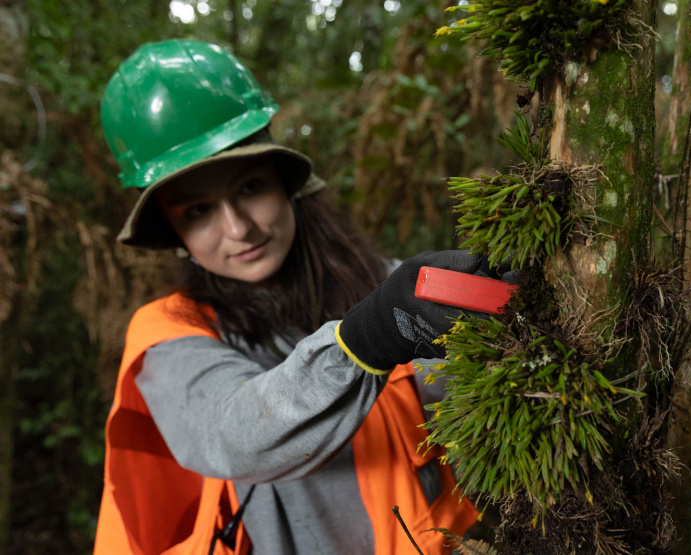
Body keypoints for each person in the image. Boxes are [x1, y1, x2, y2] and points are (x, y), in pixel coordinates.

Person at [93, 39, 489, 555]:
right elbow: (233, 432)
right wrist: (364, 341)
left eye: (251, 187)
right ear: (172, 229)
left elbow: (460, 383)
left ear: (283, 182)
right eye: (198, 211)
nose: (239, 228)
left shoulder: (374, 284)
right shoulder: (168, 333)